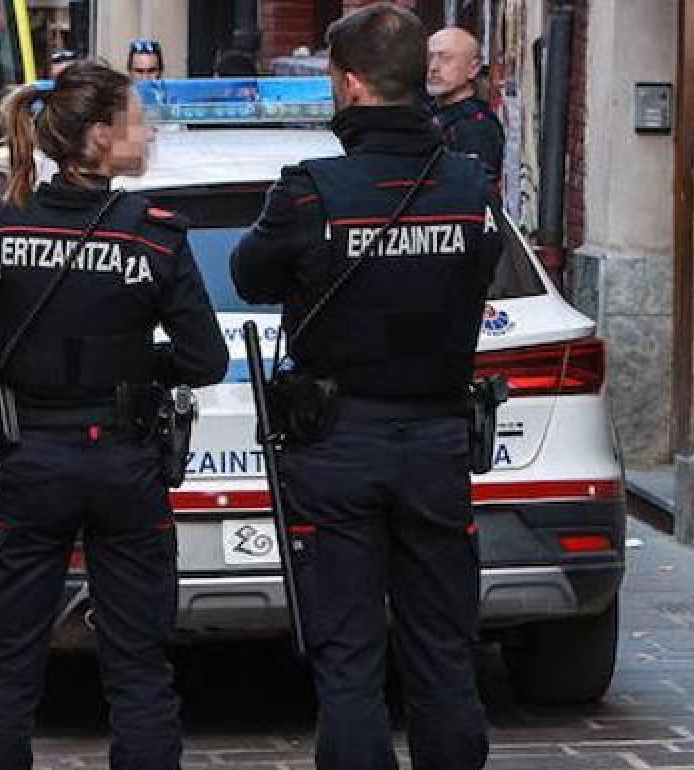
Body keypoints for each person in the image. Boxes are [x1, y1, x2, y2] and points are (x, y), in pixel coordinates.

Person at [230, 4, 503, 769]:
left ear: (349, 84)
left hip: (338, 441)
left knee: (348, 657)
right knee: (444, 650)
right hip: (438, 441)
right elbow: (478, 274)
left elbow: (250, 276)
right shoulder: (469, 183)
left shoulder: (313, 190)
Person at [0, 60, 228, 770]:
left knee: (6, 659)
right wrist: (134, 371)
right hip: (125, 463)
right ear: (100, 136)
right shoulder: (154, 237)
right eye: (135, 118)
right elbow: (205, 361)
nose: (148, 131)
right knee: (138, 663)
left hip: (30, 457)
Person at [427, 27, 504, 185]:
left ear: (473, 68)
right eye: (429, 58)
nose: (433, 67)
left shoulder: (475, 125)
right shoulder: (428, 112)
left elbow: (478, 187)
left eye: (446, 58)